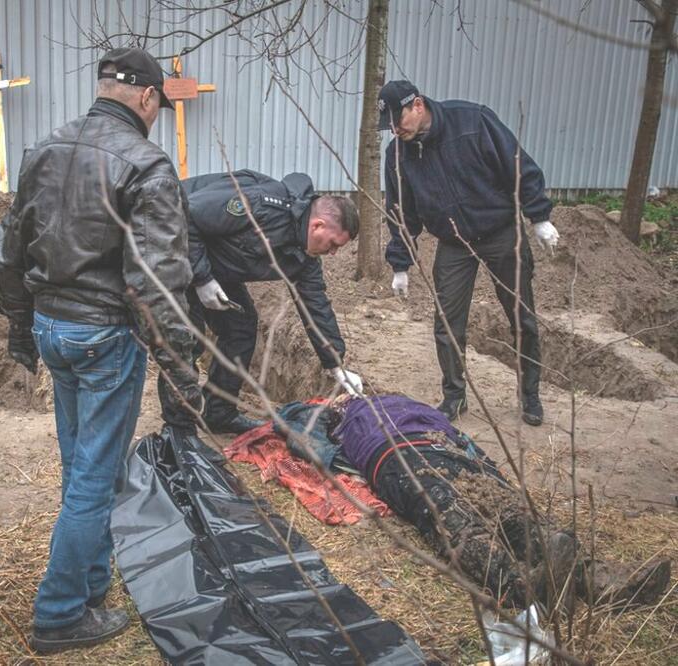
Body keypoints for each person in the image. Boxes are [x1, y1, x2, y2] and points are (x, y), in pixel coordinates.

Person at [0, 48, 201, 653]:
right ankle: (59, 614)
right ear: (146, 97)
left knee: (82, 467)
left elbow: (6, 250)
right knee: (93, 477)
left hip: (54, 328)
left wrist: (20, 326)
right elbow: (157, 279)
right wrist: (182, 368)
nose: (157, 113)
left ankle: (89, 585)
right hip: (105, 337)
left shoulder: (45, 148)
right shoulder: (147, 163)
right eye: (160, 103)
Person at [327, 393, 671, 609]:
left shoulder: (357, 413)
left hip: (430, 452)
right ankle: (527, 587)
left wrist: (489, 470)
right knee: (460, 514)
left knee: (495, 511)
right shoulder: (355, 418)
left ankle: (597, 580)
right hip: (410, 456)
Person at [379, 80, 560, 426]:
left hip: (501, 232)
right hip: (453, 243)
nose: (393, 130)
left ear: (417, 105)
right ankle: (454, 396)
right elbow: (401, 211)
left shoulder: (472, 122)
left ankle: (529, 395)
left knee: (521, 317)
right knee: (447, 323)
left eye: (397, 120)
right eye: (387, 125)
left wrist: (539, 217)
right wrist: (400, 263)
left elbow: (518, 165)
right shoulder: (398, 154)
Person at [159, 170, 363, 435]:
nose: (334, 253)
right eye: (334, 244)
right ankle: (178, 431)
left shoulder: (306, 258)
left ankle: (219, 414)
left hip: (215, 264)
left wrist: (335, 364)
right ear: (318, 226)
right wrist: (202, 278)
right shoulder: (260, 205)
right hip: (176, 246)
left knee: (241, 327)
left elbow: (315, 306)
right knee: (188, 339)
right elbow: (185, 216)